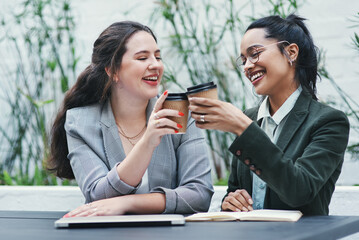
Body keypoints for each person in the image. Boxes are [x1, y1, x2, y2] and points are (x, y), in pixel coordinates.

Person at [188, 14, 350, 215]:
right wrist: (231, 201)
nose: (247, 66)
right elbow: (235, 192)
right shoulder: (249, 118)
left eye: (254, 53)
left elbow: (300, 190)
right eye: (244, 59)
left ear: (291, 52)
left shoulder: (329, 122)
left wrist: (243, 127)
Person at [48, 21, 213, 217]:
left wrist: (127, 203)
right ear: (112, 70)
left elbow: (199, 195)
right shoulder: (80, 123)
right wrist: (147, 142)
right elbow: (97, 195)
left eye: (158, 57)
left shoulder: (178, 113)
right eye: (143, 57)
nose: (156, 65)